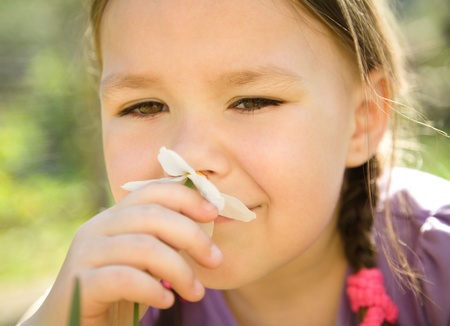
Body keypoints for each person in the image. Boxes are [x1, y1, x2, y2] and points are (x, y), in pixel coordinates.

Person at [18, 0, 450, 325]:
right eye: (145, 106)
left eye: (251, 101)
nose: (189, 155)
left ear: (362, 121)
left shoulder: (438, 258)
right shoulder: (104, 297)